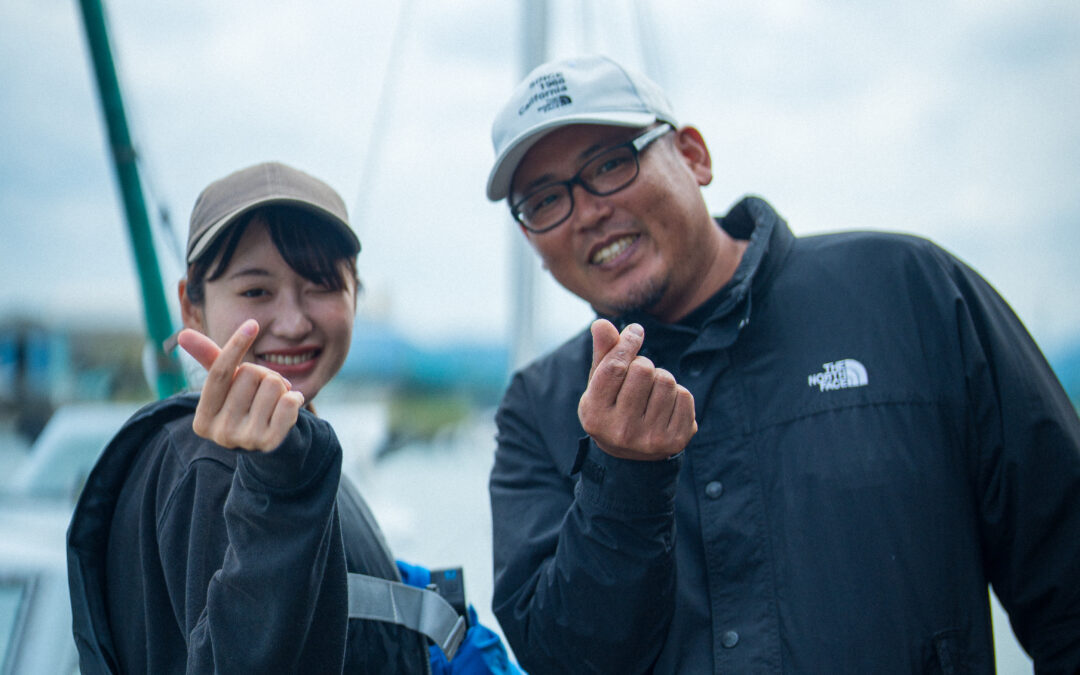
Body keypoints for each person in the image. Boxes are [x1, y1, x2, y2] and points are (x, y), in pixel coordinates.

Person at [484, 54, 1080, 674]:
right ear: (531, 240)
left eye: (610, 164)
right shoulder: (537, 408)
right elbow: (562, 661)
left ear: (693, 156)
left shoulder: (913, 293)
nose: (586, 212)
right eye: (545, 199)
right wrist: (621, 477)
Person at [66, 162, 517, 673]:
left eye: (321, 285)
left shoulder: (296, 452)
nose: (293, 322)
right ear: (191, 306)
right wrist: (273, 491)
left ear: (355, 294)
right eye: (256, 291)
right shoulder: (211, 468)